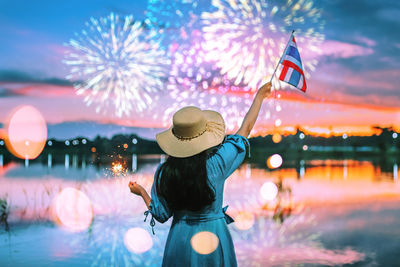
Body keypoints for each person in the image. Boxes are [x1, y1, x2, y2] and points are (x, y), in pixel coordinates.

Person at [129, 82, 272, 266]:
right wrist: (259, 97)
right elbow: (245, 130)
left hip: (180, 238)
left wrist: (141, 191)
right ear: (205, 136)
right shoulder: (217, 164)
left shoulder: (165, 171)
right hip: (214, 235)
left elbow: (161, 214)